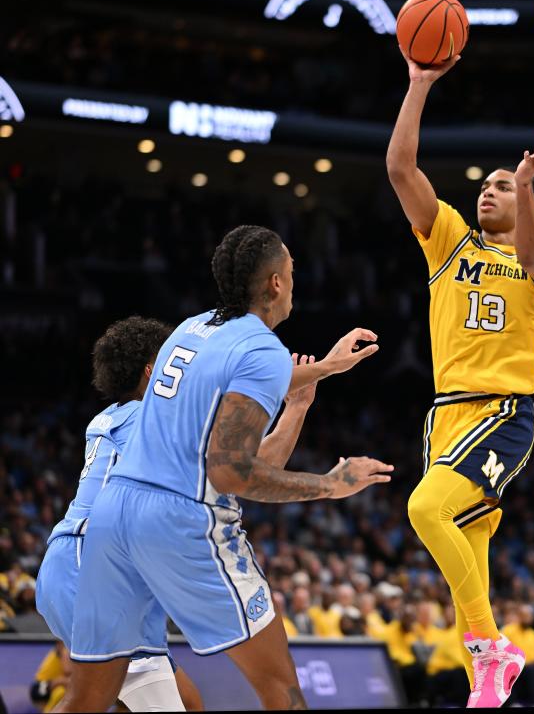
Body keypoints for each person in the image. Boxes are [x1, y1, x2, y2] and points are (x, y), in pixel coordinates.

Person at [60, 224, 394, 711]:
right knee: (281, 690)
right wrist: (329, 484)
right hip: (179, 520)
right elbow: (231, 474)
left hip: (113, 516)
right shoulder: (261, 349)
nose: (295, 283)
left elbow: (234, 379)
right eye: (292, 273)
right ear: (276, 283)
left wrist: (324, 367)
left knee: (86, 701)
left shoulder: (190, 328)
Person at [386, 45, 534, 709]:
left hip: (502, 410)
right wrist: (418, 84)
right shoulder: (450, 241)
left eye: (501, 184)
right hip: (446, 412)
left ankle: (491, 644)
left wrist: (525, 187)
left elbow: (533, 255)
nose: (488, 190)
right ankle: (486, 679)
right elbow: (400, 166)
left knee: (423, 507)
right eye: (486, 185)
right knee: (462, 541)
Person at [35, 316, 203, 711]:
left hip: (78, 564)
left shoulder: (111, 418)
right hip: (90, 562)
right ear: (152, 370)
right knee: (97, 700)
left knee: (176, 701)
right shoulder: (146, 417)